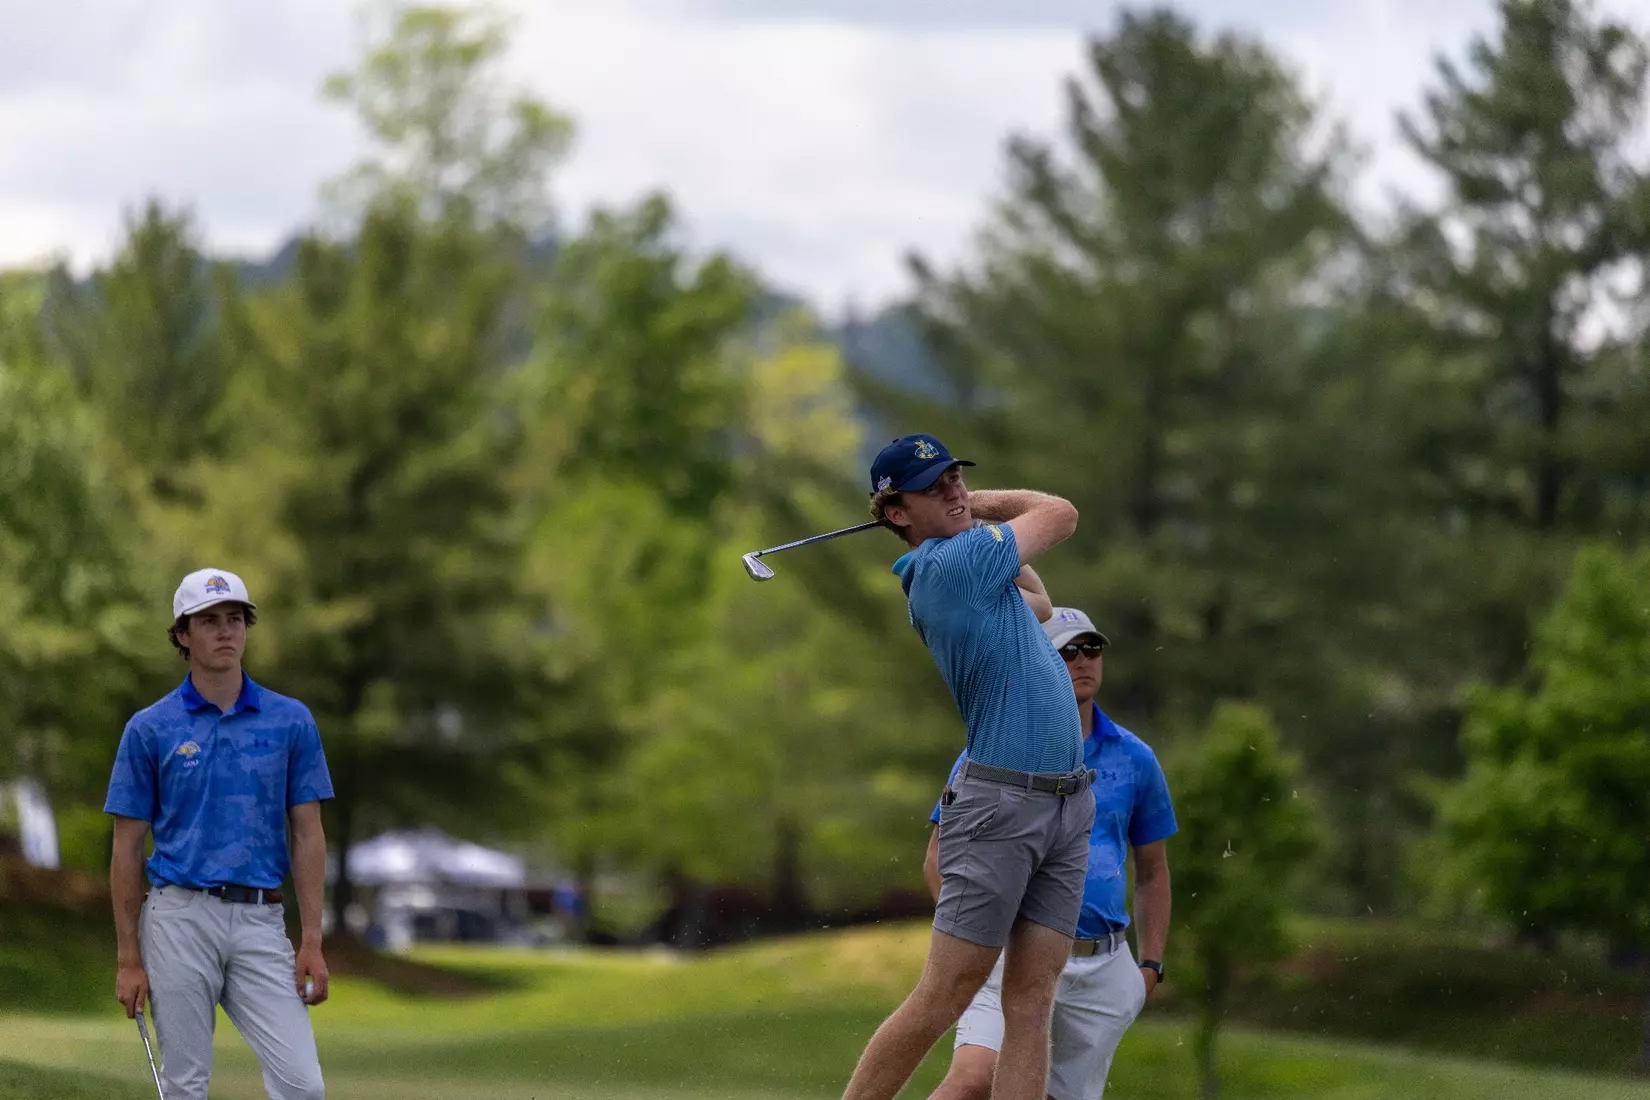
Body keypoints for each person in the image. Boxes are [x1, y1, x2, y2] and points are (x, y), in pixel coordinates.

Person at [841, 435, 1093, 1100]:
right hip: (1001, 805)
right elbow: (1061, 513)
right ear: (895, 513)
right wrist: (985, 505)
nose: (954, 490)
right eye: (935, 486)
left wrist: (965, 514)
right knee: (945, 993)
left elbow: (1038, 599)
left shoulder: (981, 575)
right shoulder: (953, 567)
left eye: (957, 478)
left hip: (1066, 803)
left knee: (1034, 1000)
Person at [925, 607, 1176, 1100]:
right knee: (973, 1080)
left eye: (1092, 648)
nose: (1084, 660)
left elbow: (1152, 872)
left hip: (1102, 969)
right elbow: (938, 858)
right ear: (1038, 661)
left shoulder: (1134, 756)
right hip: (1008, 952)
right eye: (1067, 651)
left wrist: (1148, 968)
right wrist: (973, 940)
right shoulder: (991, 747)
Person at [105, 568, 333, 1100]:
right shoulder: (150, 728)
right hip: (178, 917)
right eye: (209, 622)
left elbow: (308, 835)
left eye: (235, 619)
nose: (226, 631)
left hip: (261, 921)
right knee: (186, 1086)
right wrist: (127, 959)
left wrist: (314, 940)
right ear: (182, 635)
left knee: (304, 1086)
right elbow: (125, 848)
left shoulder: (291, 721)